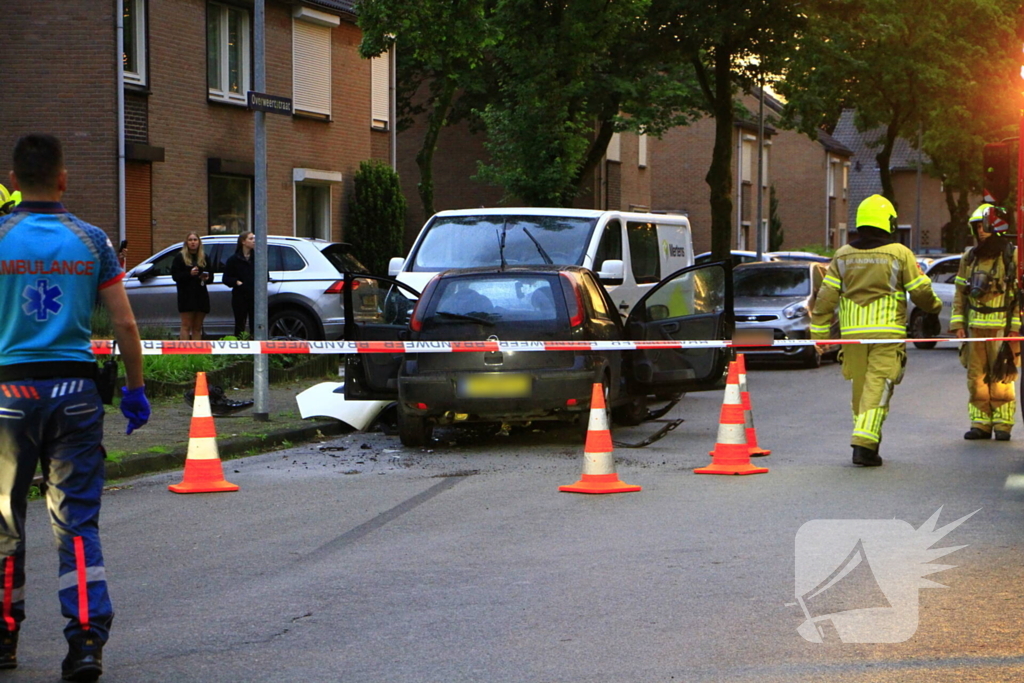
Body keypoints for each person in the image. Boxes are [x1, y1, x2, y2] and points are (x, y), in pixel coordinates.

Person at [0, 134, 150, 681]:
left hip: (8, 397)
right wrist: (134, 388)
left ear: (14, 183)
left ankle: (4, 635)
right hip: (75, 396)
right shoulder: (91, 242)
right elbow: (126, 324)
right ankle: (85, 642)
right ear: (63, 179)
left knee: (3, 519)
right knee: (76, 524)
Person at [810, 194, 942, 467]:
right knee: (879, 386)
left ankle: (866, 445)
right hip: (886, 334)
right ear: (888, 222)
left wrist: (819, 334)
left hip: (853, 336)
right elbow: (920, 291)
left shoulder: (842, 255)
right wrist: (934, 307)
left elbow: (825, 298)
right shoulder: (899, 253)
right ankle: (864, 443)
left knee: (861, 391)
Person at [950, 203, 1020, 440]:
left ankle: (1002, 424)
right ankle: (980, 423)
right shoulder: (969, 258)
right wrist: (958, 325)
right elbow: (960, 293)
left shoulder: (1012, 255)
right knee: (976, 376)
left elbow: (1018, 295)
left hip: (1002, 327)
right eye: (977, 227)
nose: (981, 231)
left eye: (985, 226)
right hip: (975, 327)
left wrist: (1014, 329)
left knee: (1001, 375)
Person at [171, 231, 212, 340]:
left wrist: (206, 277)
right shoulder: (180, 257)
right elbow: (175, 276)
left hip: (201, 294)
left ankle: (196, 354)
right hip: (186, 295)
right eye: (190, 240)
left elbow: (211, 276)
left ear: (199, 242)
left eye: (195, 240)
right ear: (186, 242)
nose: (193, 242)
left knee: (197, 327)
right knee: (186, 325)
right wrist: (189, 274)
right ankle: (184, 354)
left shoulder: (204, 257)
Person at [222, 230, 255, 337]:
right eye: (251, 238)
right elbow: (226, 278)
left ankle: (256, 346)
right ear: (243, 242)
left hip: (255, 296)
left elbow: (266, 275)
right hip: (240, 296)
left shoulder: (258, 258)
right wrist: (237, 282)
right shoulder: (233, 260)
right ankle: (240, 347)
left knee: (256, 323)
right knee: (240, 323)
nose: (254, 241)